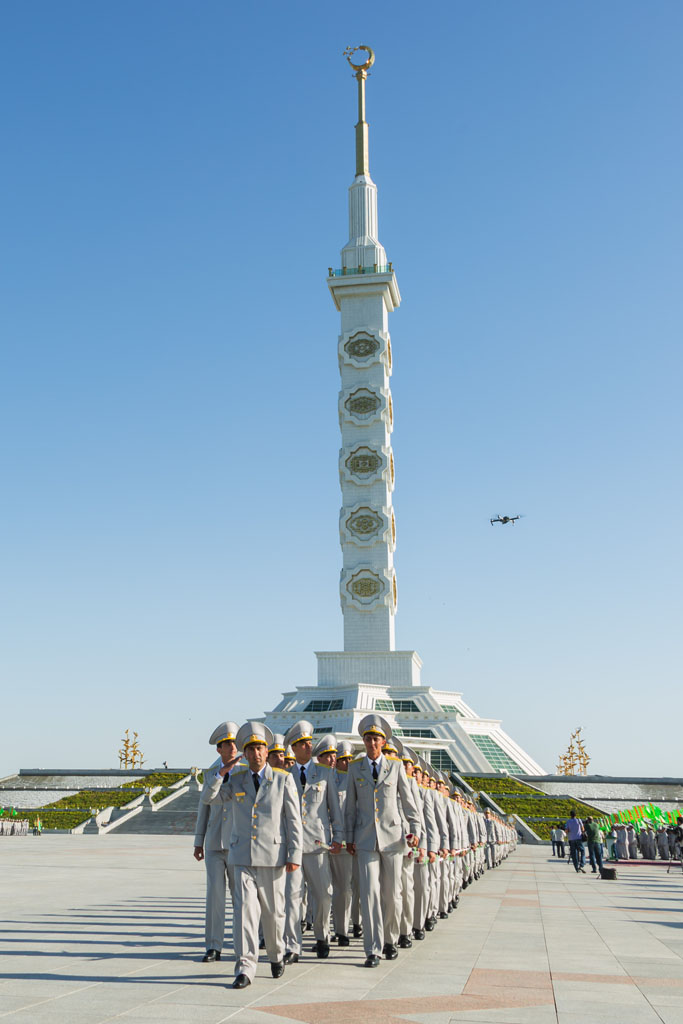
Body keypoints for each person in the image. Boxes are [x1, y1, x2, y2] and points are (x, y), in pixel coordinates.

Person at [200, 721, 303, 989]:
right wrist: (220, 773)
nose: (256, 753)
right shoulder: (235, 781)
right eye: (251, 749)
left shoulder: (283, 779)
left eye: (260, 748)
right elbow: (210, 798)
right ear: (244, 754)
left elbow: (293, 821)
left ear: (266, 752)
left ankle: (276, 954)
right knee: (244, 912)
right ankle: (245, 966)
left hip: (273, 856)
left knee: (273, 913)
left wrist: (295, 854)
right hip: (242, 856)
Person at [344, 714, 420, 968]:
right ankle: (373, 949)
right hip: (365, 839)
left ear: (383, 741)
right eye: (368, 739)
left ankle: (390, 938)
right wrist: (348, 837)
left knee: (393, 893)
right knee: (369, 894)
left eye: (376, 739)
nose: (372, 743)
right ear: (363, 741)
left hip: (393, 839)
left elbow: (408, 803)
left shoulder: (396, 767)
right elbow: (350, 808)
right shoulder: (355, 768)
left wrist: (416, 829)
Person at [281, 722, 344, 963]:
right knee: (293, 898)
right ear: (294, 748)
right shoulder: (285, 776)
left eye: (310, 742)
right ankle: (292, 946)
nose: (309, 746)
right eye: (304, 744)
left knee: (324, 895)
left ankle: (322, 936)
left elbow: (334, 810)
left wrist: (337, 837)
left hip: (318, 845)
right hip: (293, 847)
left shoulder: (325, 774)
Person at [194, 721, 243, 962]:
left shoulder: (245, 773)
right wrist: (198, 841)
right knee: (214, 896)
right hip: (214, 844)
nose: (233, 748)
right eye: (227, 745)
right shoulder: (210, 774)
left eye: (235, 743)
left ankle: (243, 944)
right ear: (219, 750)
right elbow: (205, 804)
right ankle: (213, 946)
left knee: (240, 896)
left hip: (238, 843)